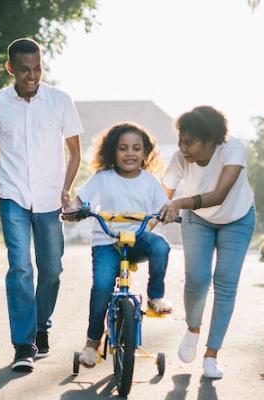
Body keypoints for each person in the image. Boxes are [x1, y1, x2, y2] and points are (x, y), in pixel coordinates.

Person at [0, 37, 84, 372]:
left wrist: (67, 189)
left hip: (50, 198)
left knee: (51, 269)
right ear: (11, 68)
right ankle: (23, 345)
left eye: (37, 67)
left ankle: (42, 327)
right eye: (24, 69)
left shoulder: (60, 100)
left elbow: (75, 151)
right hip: (12, 196)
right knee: (21, 267)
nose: (32, 75)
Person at [63, 122, 173, 367]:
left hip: (137, 239)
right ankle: (92, 343)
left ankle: (156, 297)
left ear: (145, 153)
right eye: (123, 148)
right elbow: (81, 200)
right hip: (107, 241)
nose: (130, 153)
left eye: (136, 148)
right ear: (113, 151)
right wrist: (73, 209)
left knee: (161, 246)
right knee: (102, 287)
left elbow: (164, 206)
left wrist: (169, 212)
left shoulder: (150, 181)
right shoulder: (103, 178)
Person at [160, 105, 256, 379]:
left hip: (237, 218)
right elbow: (161, 196)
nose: (182, 147)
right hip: (198, 220)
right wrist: (146, 221)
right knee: (197, 279)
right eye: (180, 140)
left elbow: (219, 195)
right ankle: (193, 328)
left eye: (189, 142)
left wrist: (178, 202)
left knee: (225, 282)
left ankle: (212, 355)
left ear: (211, 139)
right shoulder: (181, 158)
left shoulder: (233, 148)